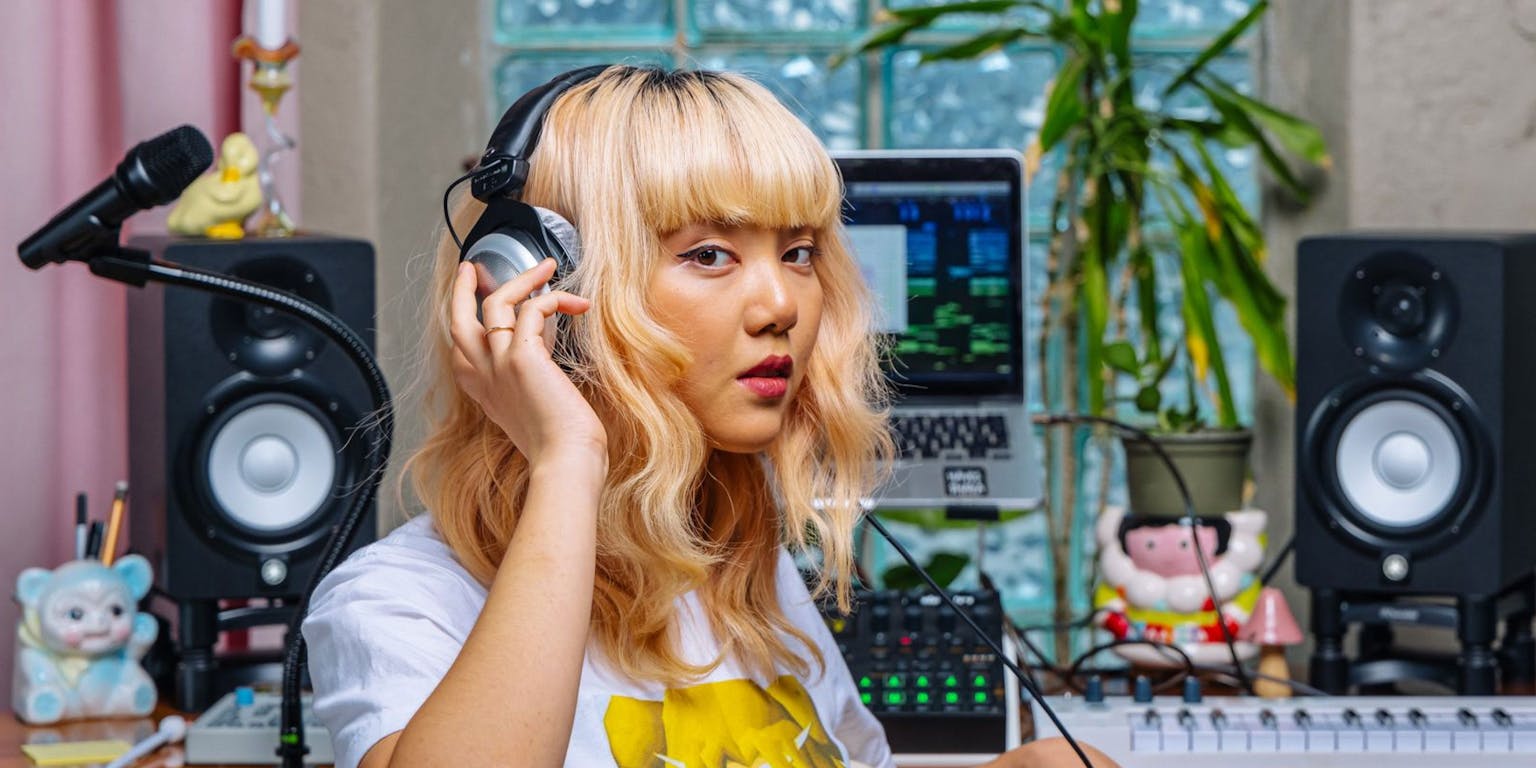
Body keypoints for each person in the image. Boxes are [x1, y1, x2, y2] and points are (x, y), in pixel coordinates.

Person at [303, 65, 1117, 768]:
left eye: (797, 253)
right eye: (709, 255)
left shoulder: (738, 572)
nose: (781, 305)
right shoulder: (400, 603)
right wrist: (566, 460)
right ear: (542, 290)